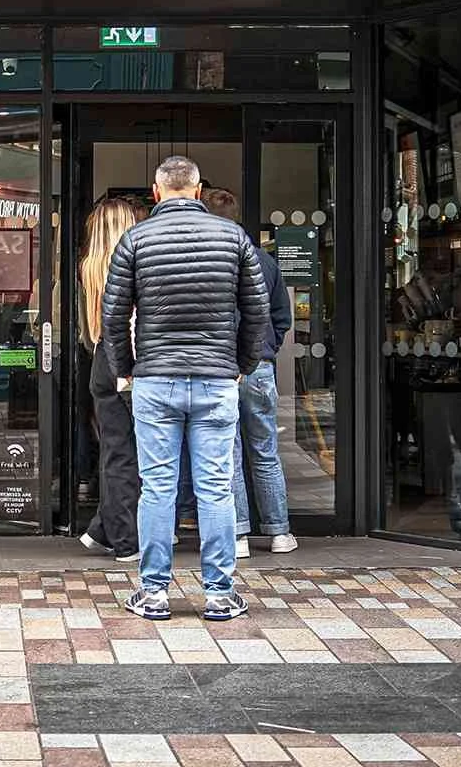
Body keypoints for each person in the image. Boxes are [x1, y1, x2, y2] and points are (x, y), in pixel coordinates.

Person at [101, 155, 270, 622]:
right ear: (197, 191)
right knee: (216, 488)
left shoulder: (135, 239)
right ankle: (219, 593)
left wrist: (127, 369)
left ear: (156, 192)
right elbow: (256, 313)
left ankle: (153, 593)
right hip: (216, 379)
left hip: (155, 379)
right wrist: (241, 364)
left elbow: (113, 316)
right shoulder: (234, 238)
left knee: (157, 488)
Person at [202, 187, 297, 557]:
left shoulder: (210, 260)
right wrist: (266, 349)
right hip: (259, 367)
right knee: (265, 448)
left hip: (222, 366)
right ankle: (279, 532)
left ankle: (238, 533)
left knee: (229, 451)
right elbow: (282, 318)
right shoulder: (264, 261)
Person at [76, 198, 141, 561]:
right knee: (130, 455)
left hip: (101, 358)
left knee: (115, 450)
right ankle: (124, 540)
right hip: (125, 362)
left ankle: (103, 527)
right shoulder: (130, 264)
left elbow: (90, 332)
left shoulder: (89, 266)